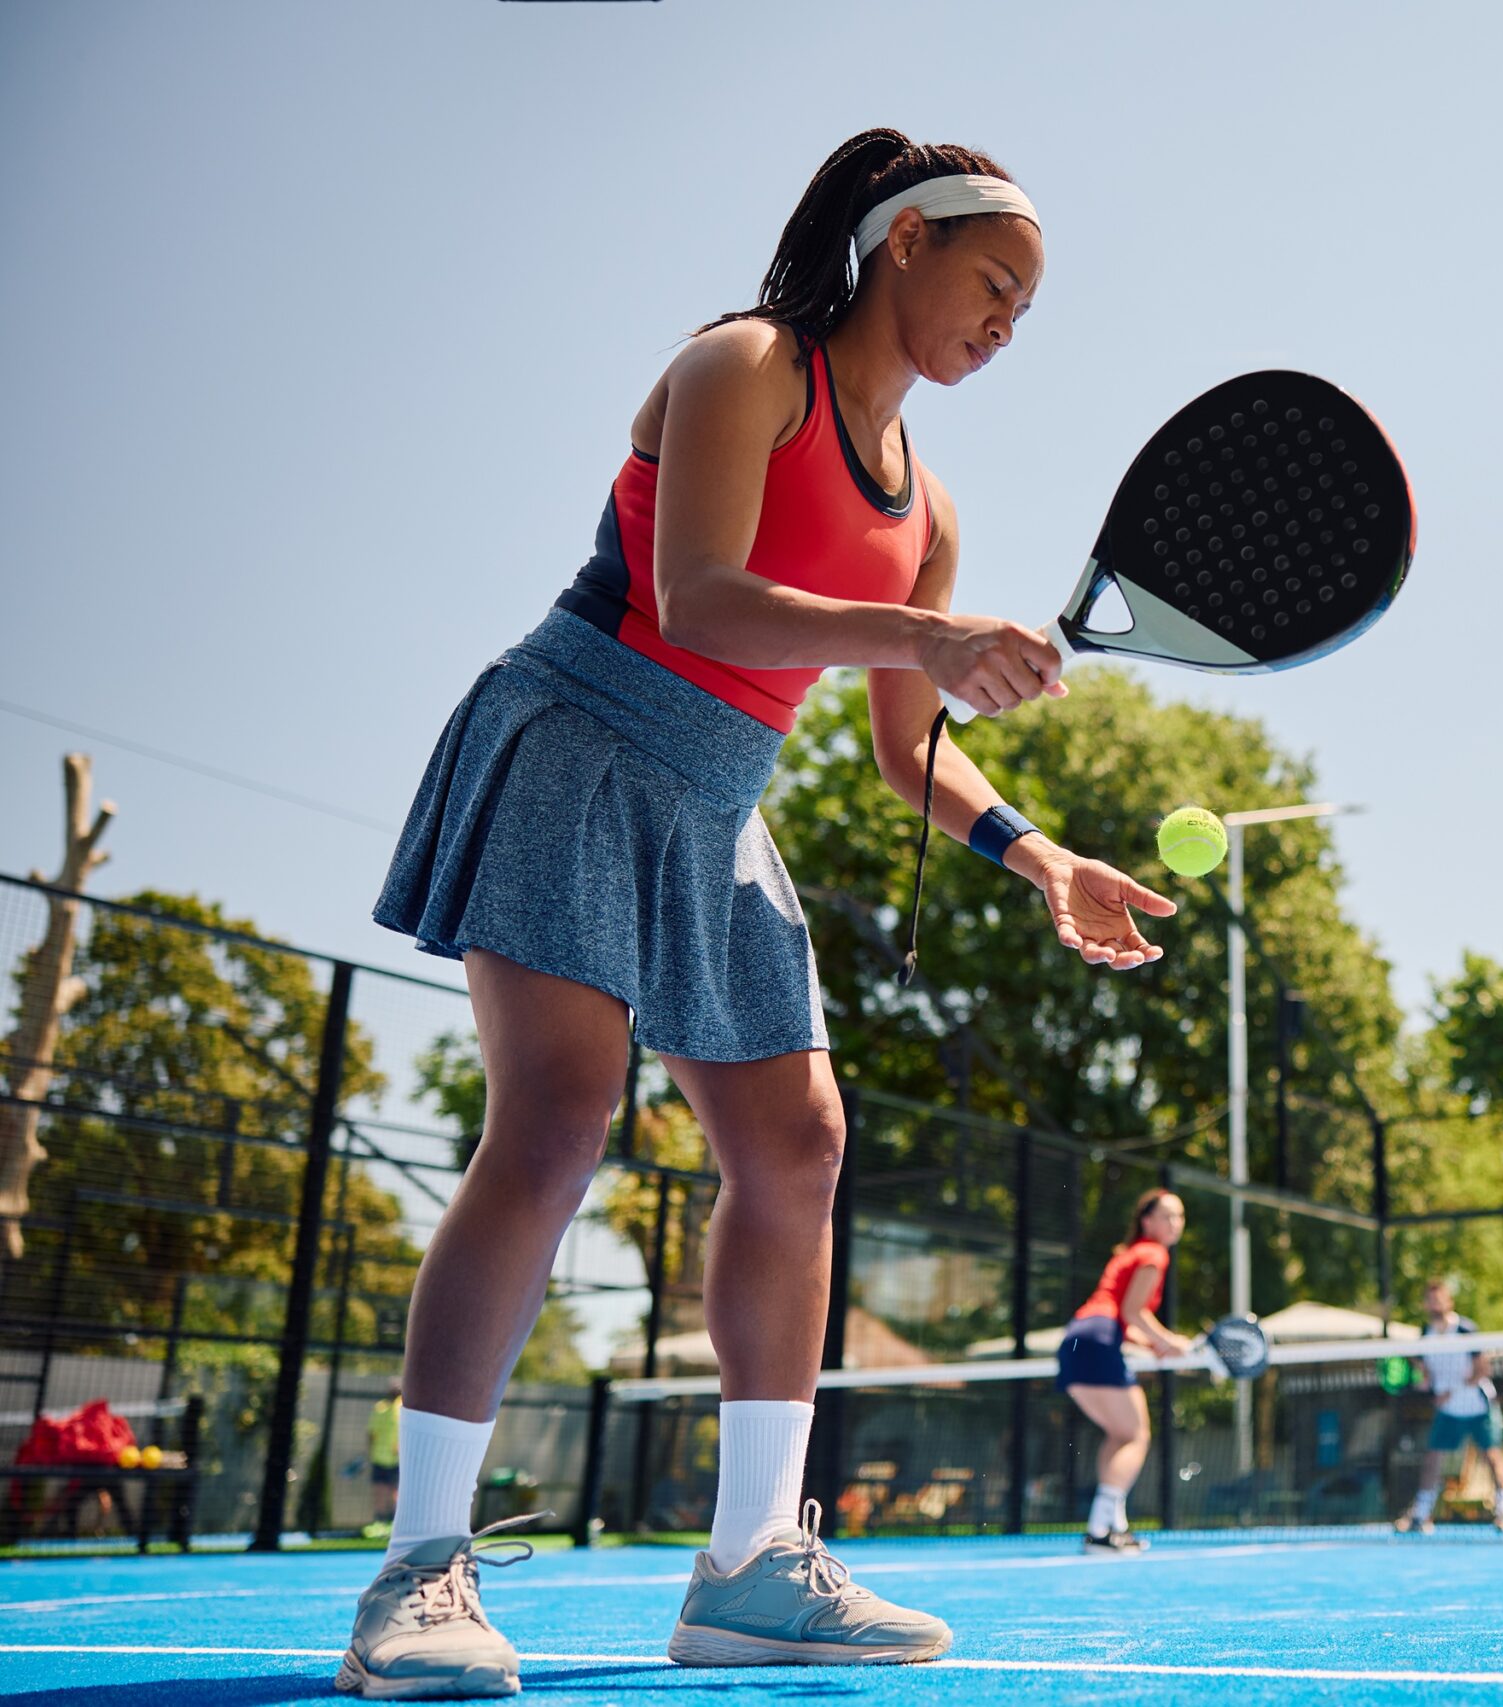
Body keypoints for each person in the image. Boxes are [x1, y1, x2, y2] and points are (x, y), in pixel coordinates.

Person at [341, 129, 1181, 1697]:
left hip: (723, 797)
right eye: (993, 282)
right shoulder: (743, 364)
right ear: (905, 243)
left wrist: (1040, 854)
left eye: (1028, 309)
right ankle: (419, 1564)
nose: (1006, 323)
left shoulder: (929, 507)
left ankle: (748, 1568)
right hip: (583, 732)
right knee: (553, 1120)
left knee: (798, 1142)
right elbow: (704, 595)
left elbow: (894, 750)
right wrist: (928, 632)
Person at [1057, 1190, 1190, 1554]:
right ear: (1146, 1221)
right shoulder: (1153, 1253)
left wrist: (1154, 1345)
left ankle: (1114, 1527)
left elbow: (1121, 1318)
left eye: (1179, 1217)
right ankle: (1099, 1530)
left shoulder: (1128, 1254)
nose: (1174, 1224)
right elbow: (1133, 1312)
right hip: (1099, 1337)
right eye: (1167, 1216)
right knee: (1137, 1435)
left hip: (1075, 1339)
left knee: (1119, 1434)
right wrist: (1168, 1340)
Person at [1394, 1278, 1503, 1534]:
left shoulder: (1465, 1330)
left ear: (1449, 1301)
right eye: (1430, 1299)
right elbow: (1425, 1373)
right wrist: (1424, 1383)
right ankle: (1421, 1515)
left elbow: (1483, 1368)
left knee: (1492, 1456)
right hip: (1448, 1411)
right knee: (1432, 1459)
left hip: (1478, 1406)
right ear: (1425, 1304)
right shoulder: (1424, 1336)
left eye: (1439, 1298)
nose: (1435, 1304)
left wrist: (1454, 1391)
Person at [365, 1383, 401, 1538]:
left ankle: (393, 1524)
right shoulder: (383, 1408)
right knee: (383, 1490)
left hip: (394, 1459)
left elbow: (371, 1435)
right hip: (382, 1457)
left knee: (392, 1491)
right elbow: (372, 1434)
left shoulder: (401, 1408)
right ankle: (381, 1524)